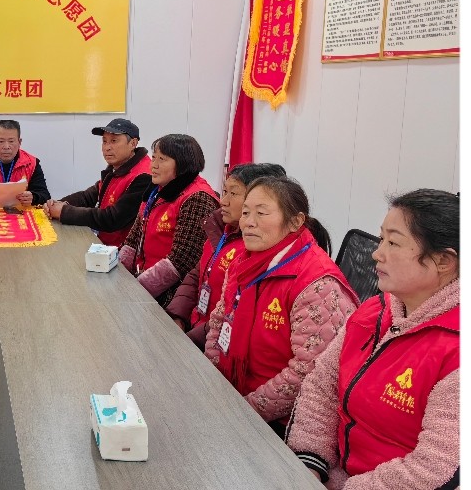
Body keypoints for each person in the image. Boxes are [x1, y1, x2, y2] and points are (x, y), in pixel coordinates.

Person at [286, 189, 459, 489]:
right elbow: (322, 386)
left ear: (443, 260)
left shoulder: (457, 351)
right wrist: (310, 463)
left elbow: (432, 469)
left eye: (393, 242)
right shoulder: (374, 312)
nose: (377, 253)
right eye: (381, 239)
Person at [204, 176, 359, 435]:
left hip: (278, 423)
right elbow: (219, 320)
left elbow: (306, 373)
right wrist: (212, 377)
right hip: (231, 396)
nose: (248, 222)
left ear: (295, 222)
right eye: (246, 212)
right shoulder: (243, 261)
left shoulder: (318, 284)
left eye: (261, 213)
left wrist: (241, 411)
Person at [165, 163, 287, 348]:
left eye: (234, 193)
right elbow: (196, 275)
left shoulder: (257, 246)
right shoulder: (220, 229)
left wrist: (189, 340)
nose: (223, 201)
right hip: (193, 328)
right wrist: (177, 316)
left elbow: (232, 313)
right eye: (224, 191)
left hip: (213, 342)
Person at [119, 134, 219, 308]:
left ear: (182, 164)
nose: (154, 165)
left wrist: (135, 290)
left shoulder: (198, 198)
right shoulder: (156, 190)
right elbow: (133, 240)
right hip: (142, 282)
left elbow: (182, 260)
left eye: (162, 159)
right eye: (154, 158)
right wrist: (117, 275)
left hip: (170, 295)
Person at [44, 118, 151, 246]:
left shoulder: (143, 176)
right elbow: (88, 196)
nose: (107, 148)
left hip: (124, 252)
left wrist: (64, 212)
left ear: (133, 143)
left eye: (114, 141)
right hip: (104, 246)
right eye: (104, 141)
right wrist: (57, 204)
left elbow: (112, 219)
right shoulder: (118, 166)